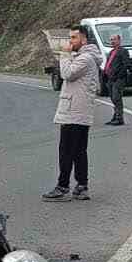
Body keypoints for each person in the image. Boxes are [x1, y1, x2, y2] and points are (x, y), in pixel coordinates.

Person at [44, 25, 103, 201]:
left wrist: (64, 54)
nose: (70, 42)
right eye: (70, 38)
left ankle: (63, 187)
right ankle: (81, 186)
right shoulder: (86, 57)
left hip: (75, 111)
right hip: (79, 110)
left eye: (73, 38)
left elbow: (67, 73)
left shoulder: (85, 58)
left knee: (66, 150)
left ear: (83, 39)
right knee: (78, 151)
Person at [102, 32, 129, 125]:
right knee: (113, 98)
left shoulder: (123, 51)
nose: (112, 41)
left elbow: (125, 65)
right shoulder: (111, 52)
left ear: (119, 40)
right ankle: (115, 116)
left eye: (114, 39)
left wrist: (118, 76)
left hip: (118, 79)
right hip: (110, 78)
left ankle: (119, 118)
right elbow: (108, 64)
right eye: (111, 40)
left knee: (117, 98)